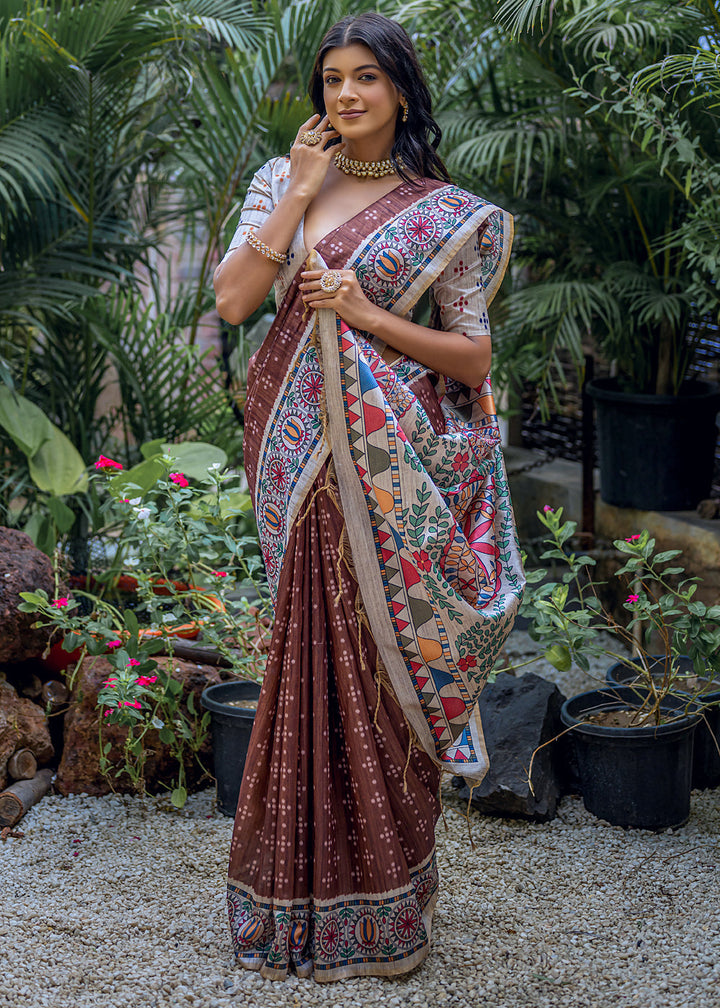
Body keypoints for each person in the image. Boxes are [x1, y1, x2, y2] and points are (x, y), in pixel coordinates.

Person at [213, 12, 524, 983]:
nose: (345, 96)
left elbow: (473, 356)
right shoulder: (282, 182)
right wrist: (301, 190)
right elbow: (231, 300)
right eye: (332, 80)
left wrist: (363, 312)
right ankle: (294, 913)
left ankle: (387, 915)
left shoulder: (444, 212)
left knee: (379, 676)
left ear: (399, 92)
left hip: (392, 480)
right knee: (309, 670)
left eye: (366, 80)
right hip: (297, 467)